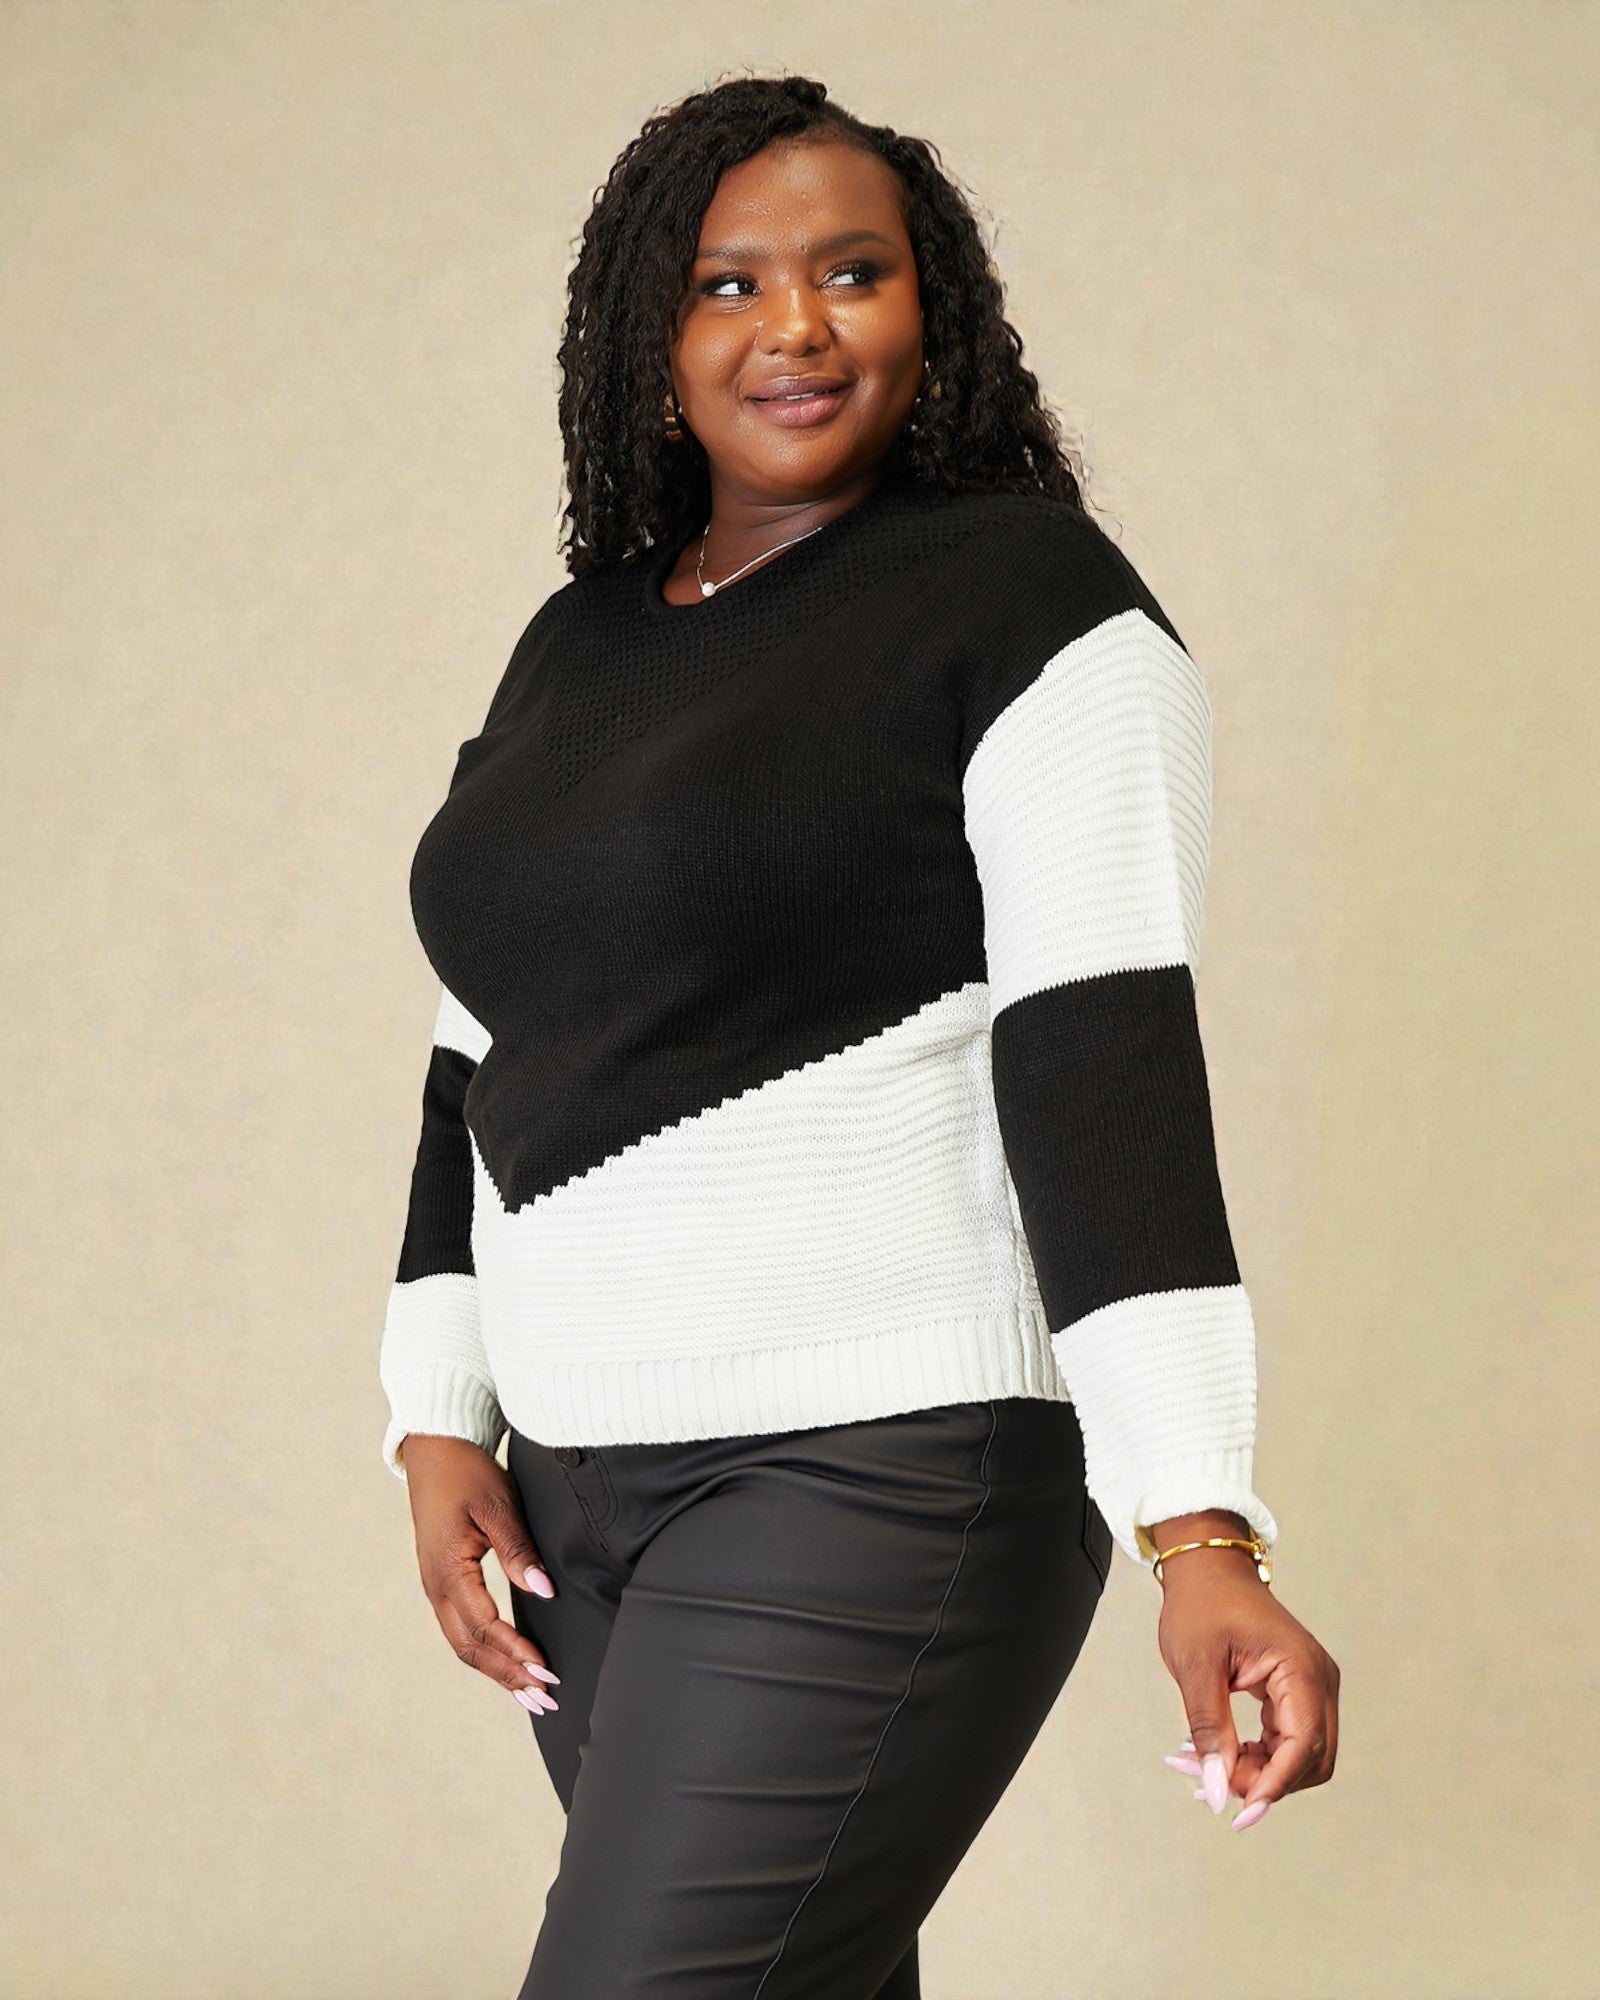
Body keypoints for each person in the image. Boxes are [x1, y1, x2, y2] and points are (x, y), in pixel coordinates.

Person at [378, 72, 1340, 2000]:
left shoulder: (1032, 603)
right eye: (728, 283)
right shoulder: (580, 642)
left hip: (872, 1466)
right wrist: (435, 1414)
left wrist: (1198, 1527)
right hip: (581, 1489)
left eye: (852, 273)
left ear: (933, 308)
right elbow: (478, 1050)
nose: (795, 327)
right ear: (651, 338)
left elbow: (1103, 1060)